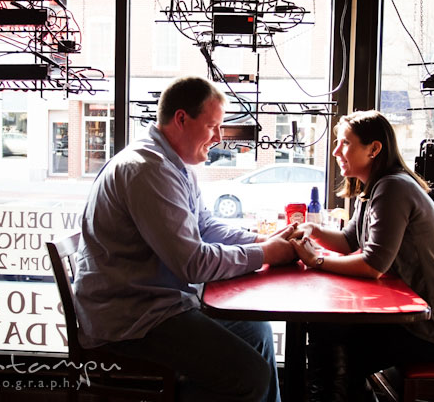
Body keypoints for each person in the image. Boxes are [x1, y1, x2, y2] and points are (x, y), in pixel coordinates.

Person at [74, 76, 297, 402]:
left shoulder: (175, 165)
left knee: (257, 331)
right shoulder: (148, 170)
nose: (219, 138)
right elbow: (193, 264)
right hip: (131, 319)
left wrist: (262, 241)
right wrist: (267, 255)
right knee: (251, 376)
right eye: (213, 126)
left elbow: (206, 226)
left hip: (157, 304)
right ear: (181, 119)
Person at [289, 110, 434, 402]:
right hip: (422, 319)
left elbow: (373, 265)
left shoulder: (393, 188)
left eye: (345, 143)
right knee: (327, 330)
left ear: (374, 149)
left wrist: (317, 261)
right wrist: (312, 230)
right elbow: (351, 241)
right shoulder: (377, 186)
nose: (336, 151)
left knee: (335, 342)